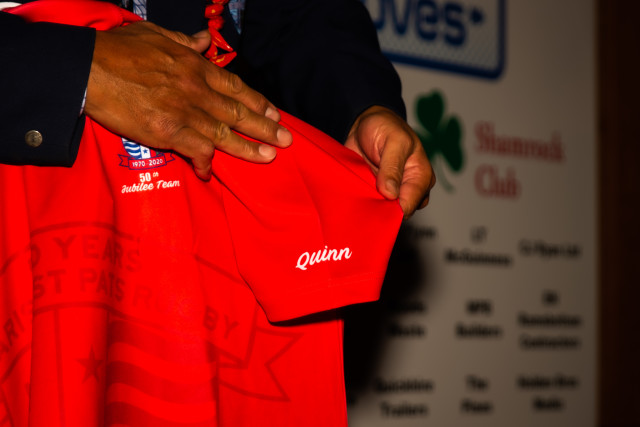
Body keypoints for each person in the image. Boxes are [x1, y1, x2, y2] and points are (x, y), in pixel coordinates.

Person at [0, 0, 435, 218]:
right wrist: (73, 67)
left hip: (209, 221)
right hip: (28, 190)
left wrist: (359, 106)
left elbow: (302, 17)